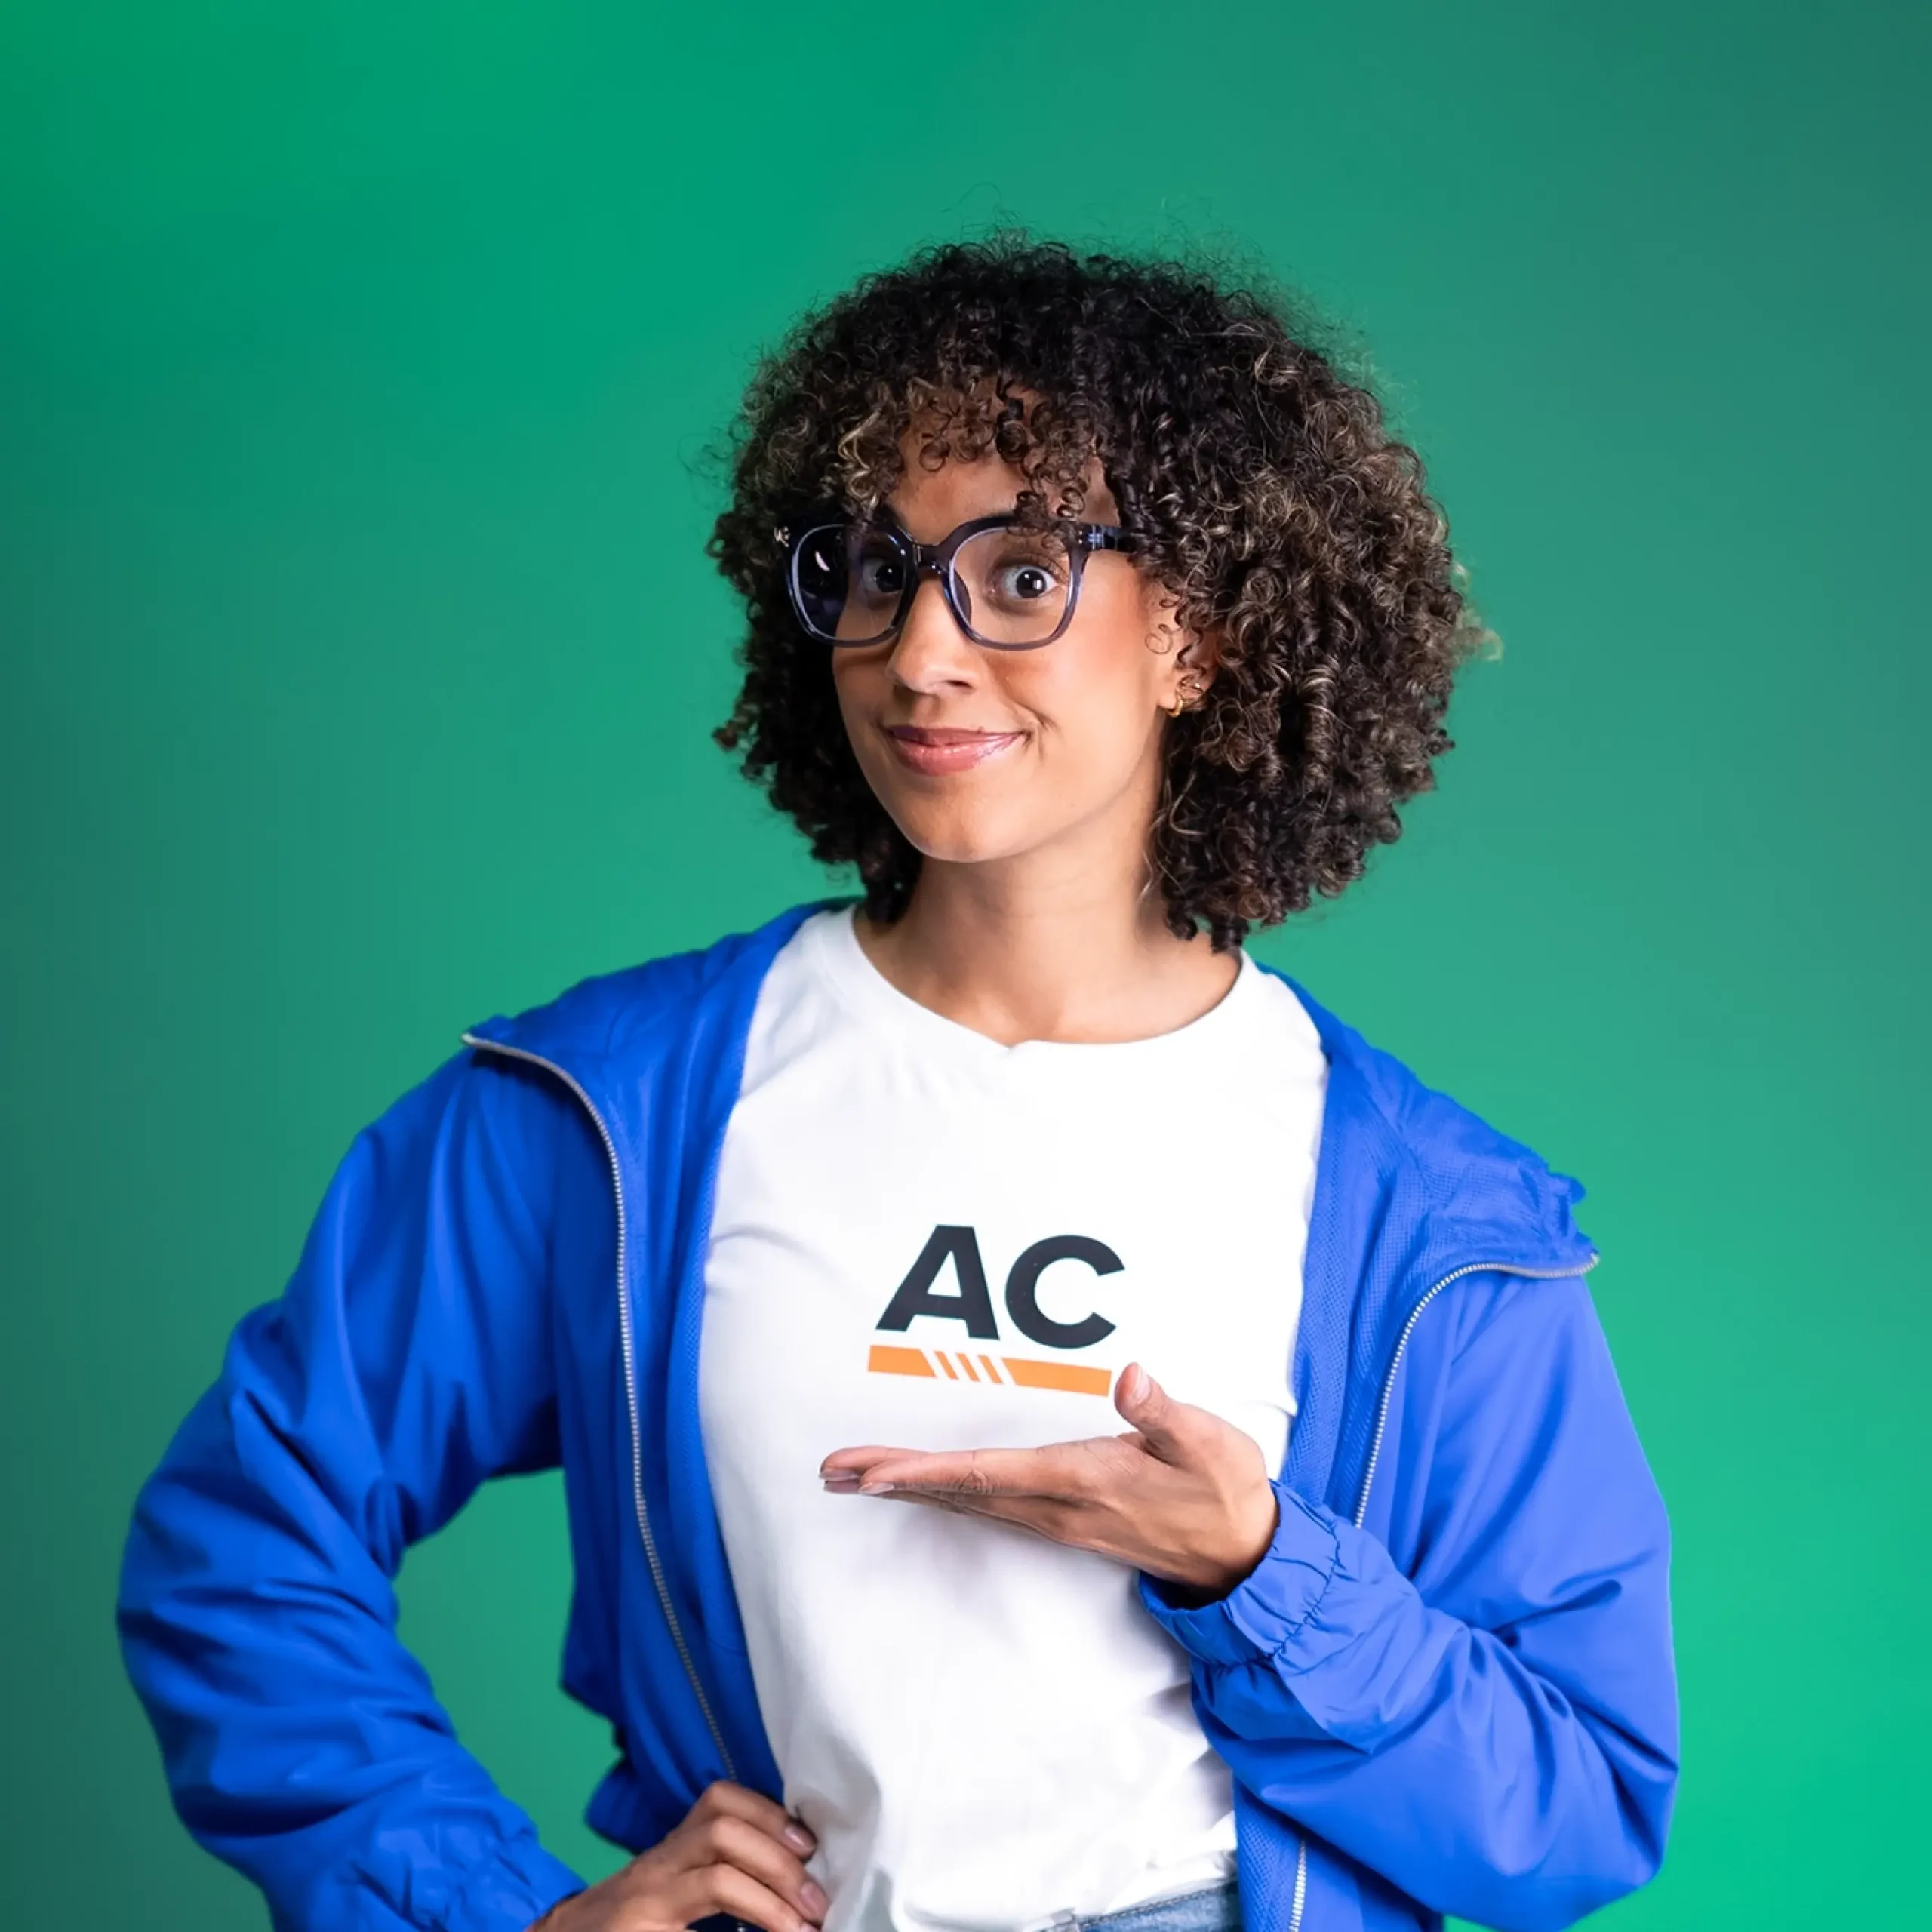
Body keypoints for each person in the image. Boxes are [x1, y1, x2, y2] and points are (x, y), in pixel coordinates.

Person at [118, 235, 1678, 1932]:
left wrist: (1257, 1569)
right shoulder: (614, 1111)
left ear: (1200, 637)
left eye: (1019, 575)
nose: (918, 652)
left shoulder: (1435, 1218)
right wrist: (485, 1908)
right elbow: (245, 1535)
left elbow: (1577, 1801)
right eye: (871, 568)